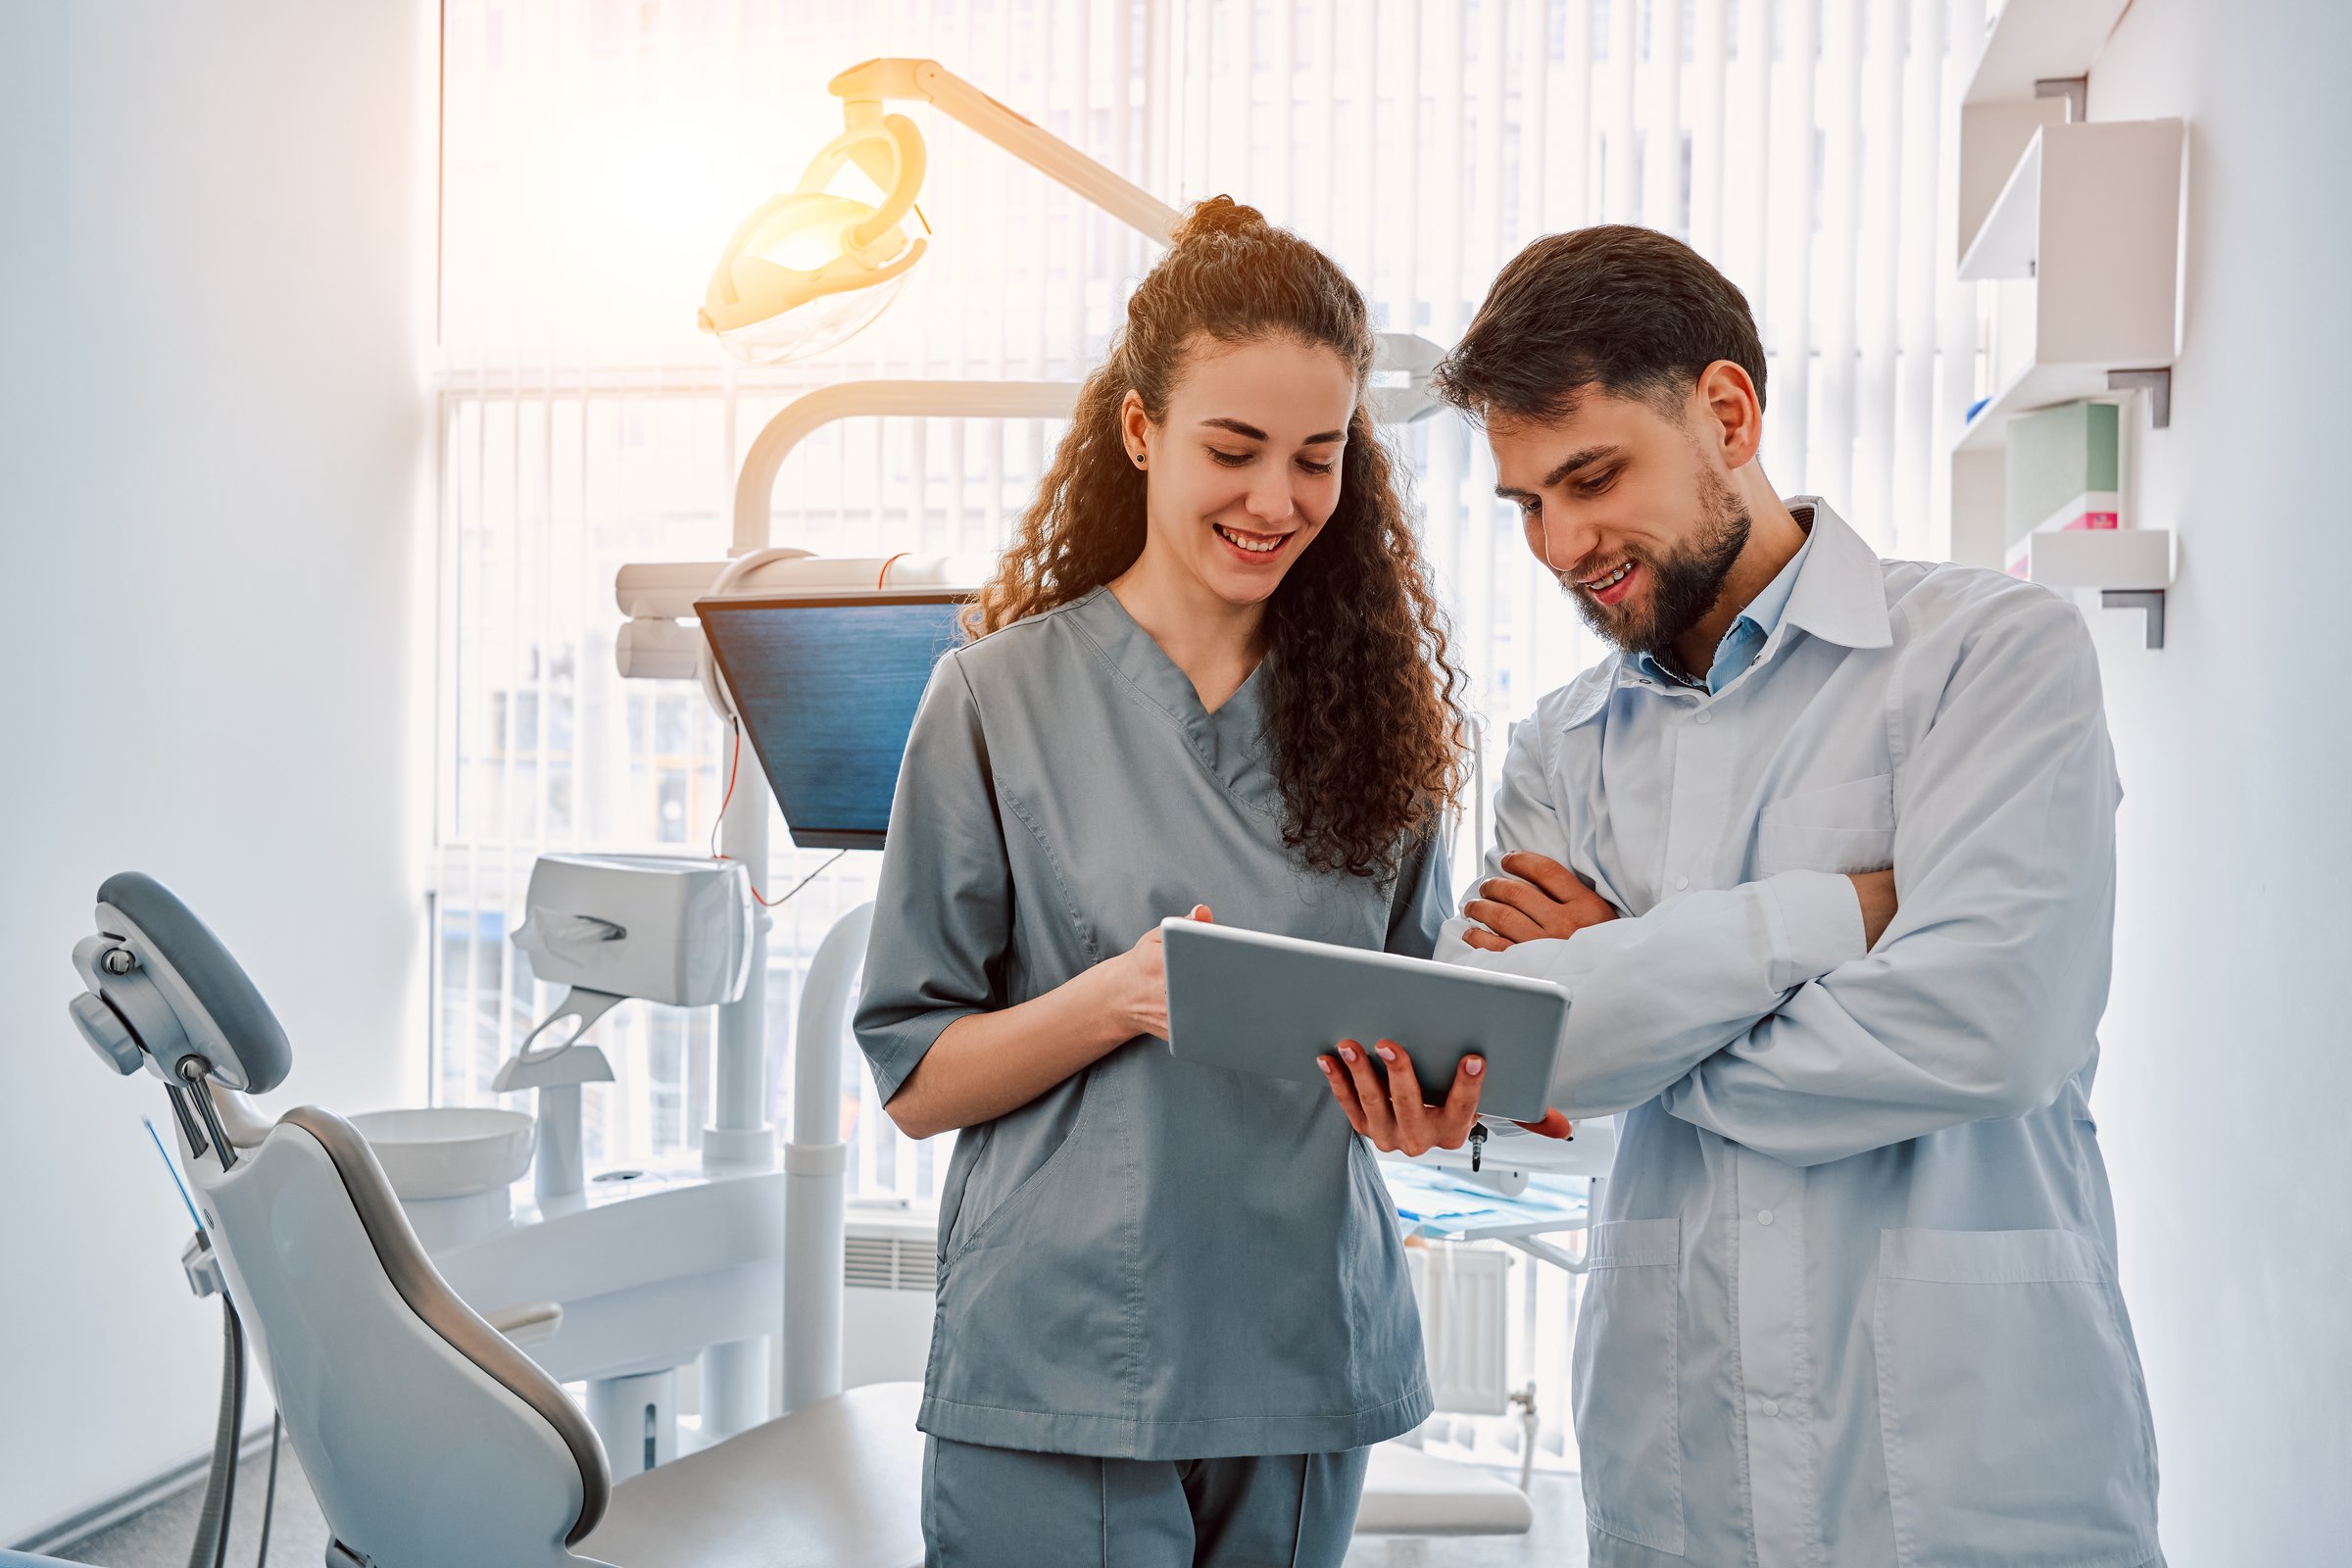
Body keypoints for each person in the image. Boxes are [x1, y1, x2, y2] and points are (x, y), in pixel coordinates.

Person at [1321, 224, 2162, 1567]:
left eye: (1592, 477)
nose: (1561, 543)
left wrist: (1632, 994)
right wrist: (1833, 921)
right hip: (1681, 1468)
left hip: (1969, 1466)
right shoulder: (1561, 746)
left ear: (1727, 413)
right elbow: (1548, 1074)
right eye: (1527, 502)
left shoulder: (1991, 660)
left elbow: (1991, 1029)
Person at [854, 195, 1481, 1568]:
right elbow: (913, 1078)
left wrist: (1429, 1110)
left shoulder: (1388, 731)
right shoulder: (994, 700)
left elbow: (1418, 1028)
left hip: (1302, 1357)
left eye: (1318, 459)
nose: (1278, 502)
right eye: (1235, 450)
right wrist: (1124, 999)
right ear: (1140, 431)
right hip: (1064, 1363)